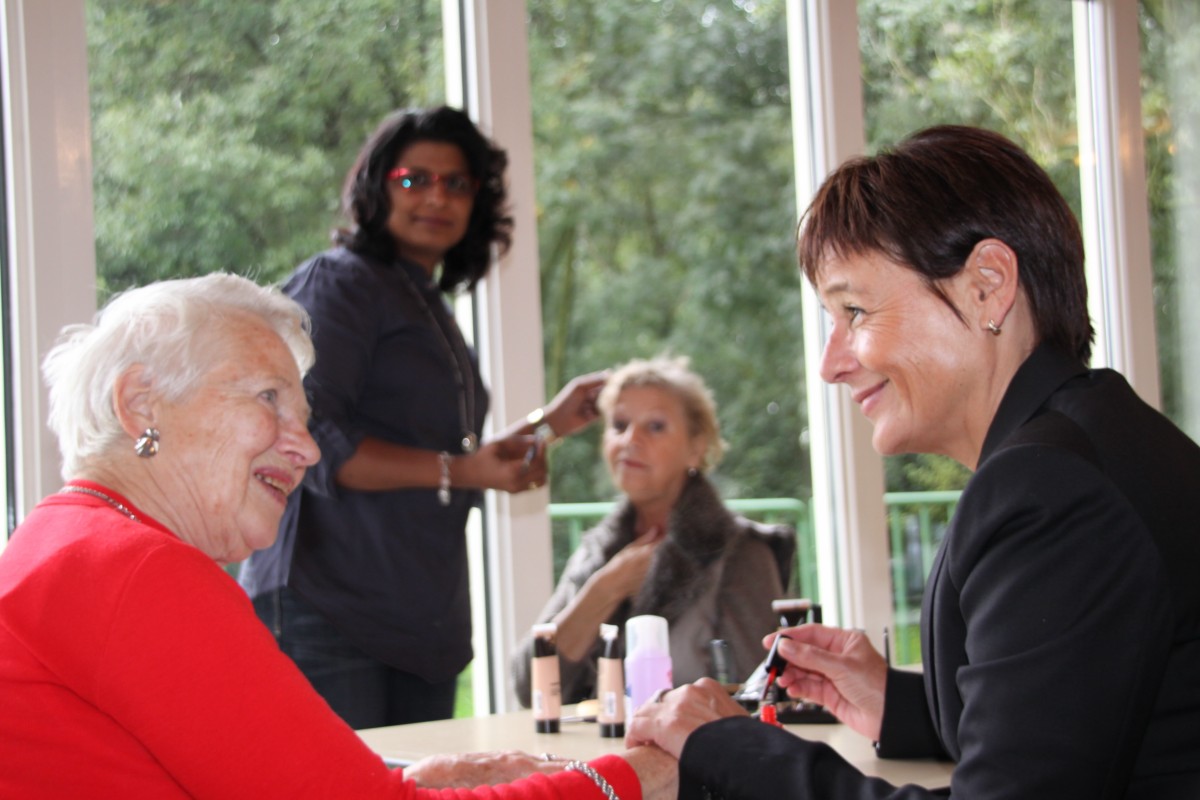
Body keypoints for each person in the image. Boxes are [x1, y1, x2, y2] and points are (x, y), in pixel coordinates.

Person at [626, 125, 1200, 798]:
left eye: (855, 311)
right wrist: (895, 705)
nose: (831, 364)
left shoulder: (1050, 489)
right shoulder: (1102, 438)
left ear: (988, 286)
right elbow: (1085, 711)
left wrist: (724, 748)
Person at [0, 273, 677, 798]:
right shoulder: (138, 570)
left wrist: (410, 783)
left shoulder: (67, 541)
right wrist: (642, 772)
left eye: (304, 416)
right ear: (141, 403)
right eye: (268, 399)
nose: (308, 451)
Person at [238, 106, 606, 729]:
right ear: (376, 189)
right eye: (414, 179)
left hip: (418, 618)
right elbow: (313, 438)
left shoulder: (422, 297)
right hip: (327, 608)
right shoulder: (340, 284)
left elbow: (448, 457)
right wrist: (462, 471)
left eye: (455, 183)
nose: (436, 197)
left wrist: (550, 425)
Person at [511, 355, 795, 707]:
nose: (631, 439)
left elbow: (761, 695)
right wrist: (604, 589)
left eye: (655, 426)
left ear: (696, 447)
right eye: (619, 424)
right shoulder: (598, 552)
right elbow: (529, 687)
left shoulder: (741, 553)